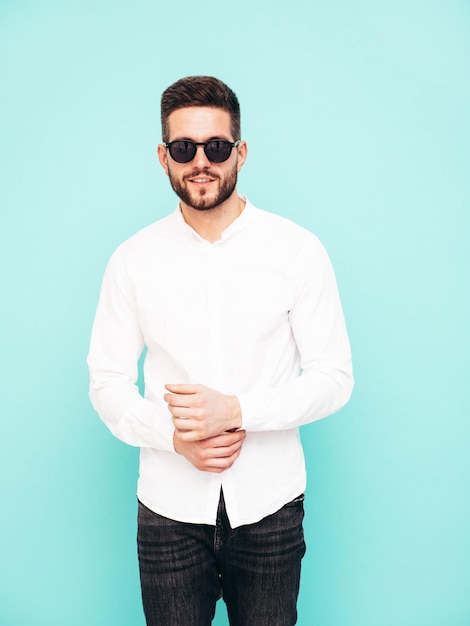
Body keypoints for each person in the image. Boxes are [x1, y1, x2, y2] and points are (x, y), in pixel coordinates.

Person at [87, 75, 353, 626]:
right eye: (184, 148)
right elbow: (107, 381)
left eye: (217, 147)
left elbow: (333, 377)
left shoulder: (297, 251)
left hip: (270, 506)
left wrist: (237, 411)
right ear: (163, 156)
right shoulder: (132, 259)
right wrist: (174, 439)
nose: (200, 162)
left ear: (241, 152)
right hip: (168, 511)